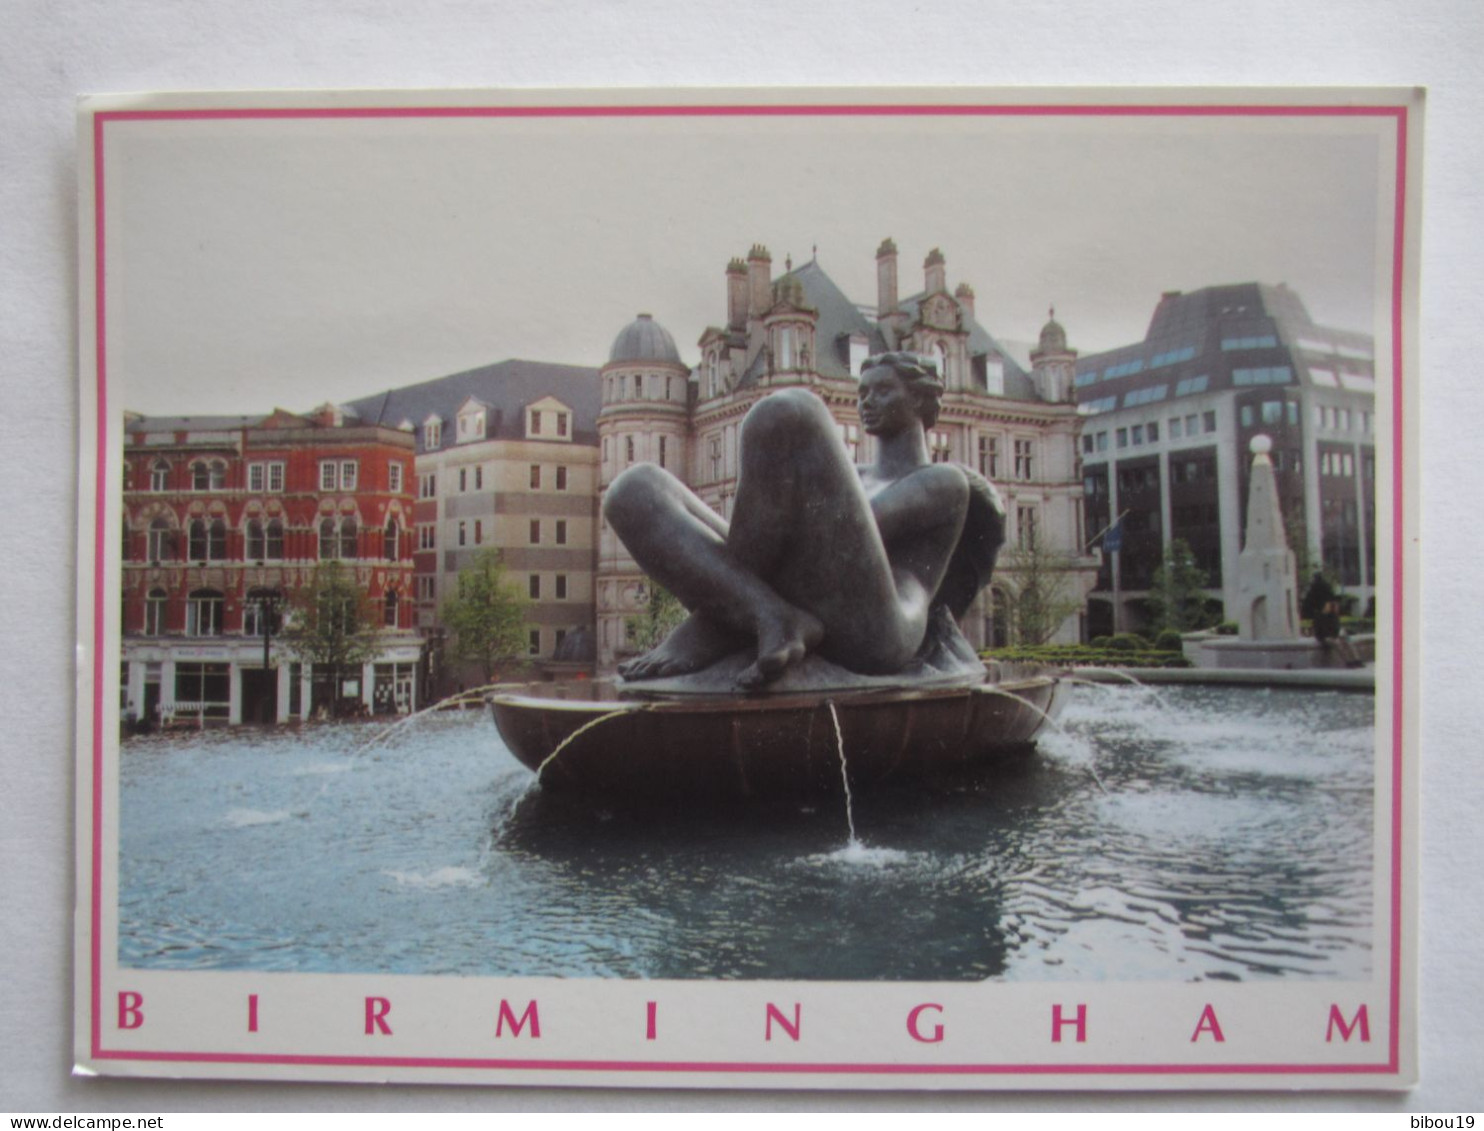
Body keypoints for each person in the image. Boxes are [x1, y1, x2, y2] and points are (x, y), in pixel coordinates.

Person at [603, 352, 1004, 689]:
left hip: (877, 634)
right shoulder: (852, 475)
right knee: (633, 491)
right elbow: (800, 539)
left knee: (790, 410)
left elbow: (838, 542)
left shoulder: (943, 481)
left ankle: (721, 623)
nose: (867, 402)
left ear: (921, 401)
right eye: (862, 392)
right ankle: (770, 614)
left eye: (883, 390)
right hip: (799, 595)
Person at [1301, 570, 1362, 668]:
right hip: (1329, 632)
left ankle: (1352, 661)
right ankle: (1353, 661)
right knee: (1342, 640)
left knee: (1342, 640)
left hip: (1328, 632)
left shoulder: (1322, 613)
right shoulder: (1329, 610)